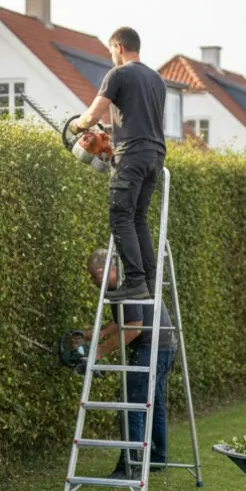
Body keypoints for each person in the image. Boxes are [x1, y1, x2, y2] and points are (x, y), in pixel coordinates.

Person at [72, 26, 167, 300]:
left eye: (112, 50)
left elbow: (91, 116)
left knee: (120, 216)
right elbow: (139, 120)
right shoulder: (157, 79)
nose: (112, 56)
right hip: (155, 156)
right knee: (138, 218)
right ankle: (149, 282)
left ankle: (135, 281)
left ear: (118, 47)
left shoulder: (118, 74)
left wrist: (78, 126)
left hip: (133, 155)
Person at [86, 249, 174, 479]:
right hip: (164, 343)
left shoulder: (126, 288)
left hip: (153, 346)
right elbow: (122, 320)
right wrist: (100, 332)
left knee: (132, 401)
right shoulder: (126, 284)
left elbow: (134, 328)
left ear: (102, 271)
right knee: (152, 400)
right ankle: (158, 456)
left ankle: (130, 465)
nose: (92, 281)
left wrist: (99, 351)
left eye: (93, 276)